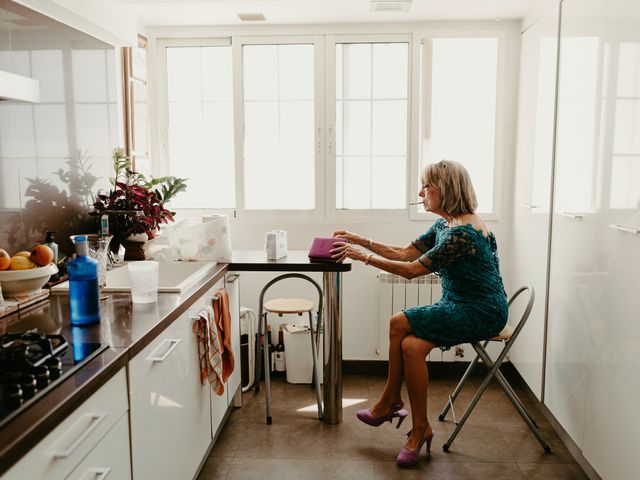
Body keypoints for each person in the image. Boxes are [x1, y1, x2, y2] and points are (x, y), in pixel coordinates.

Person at [331, 159, 508, 467]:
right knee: (412, 347)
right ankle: (419, 428)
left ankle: (389, 401)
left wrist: (363, 257)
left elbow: (412, 270)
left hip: (482, 310)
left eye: (427, 186)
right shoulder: (446, 224)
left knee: (398, 321)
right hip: (457, 303)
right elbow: (404, 252)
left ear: (447, 189)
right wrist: (359, 239)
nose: (421, 191)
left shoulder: (462, 233)